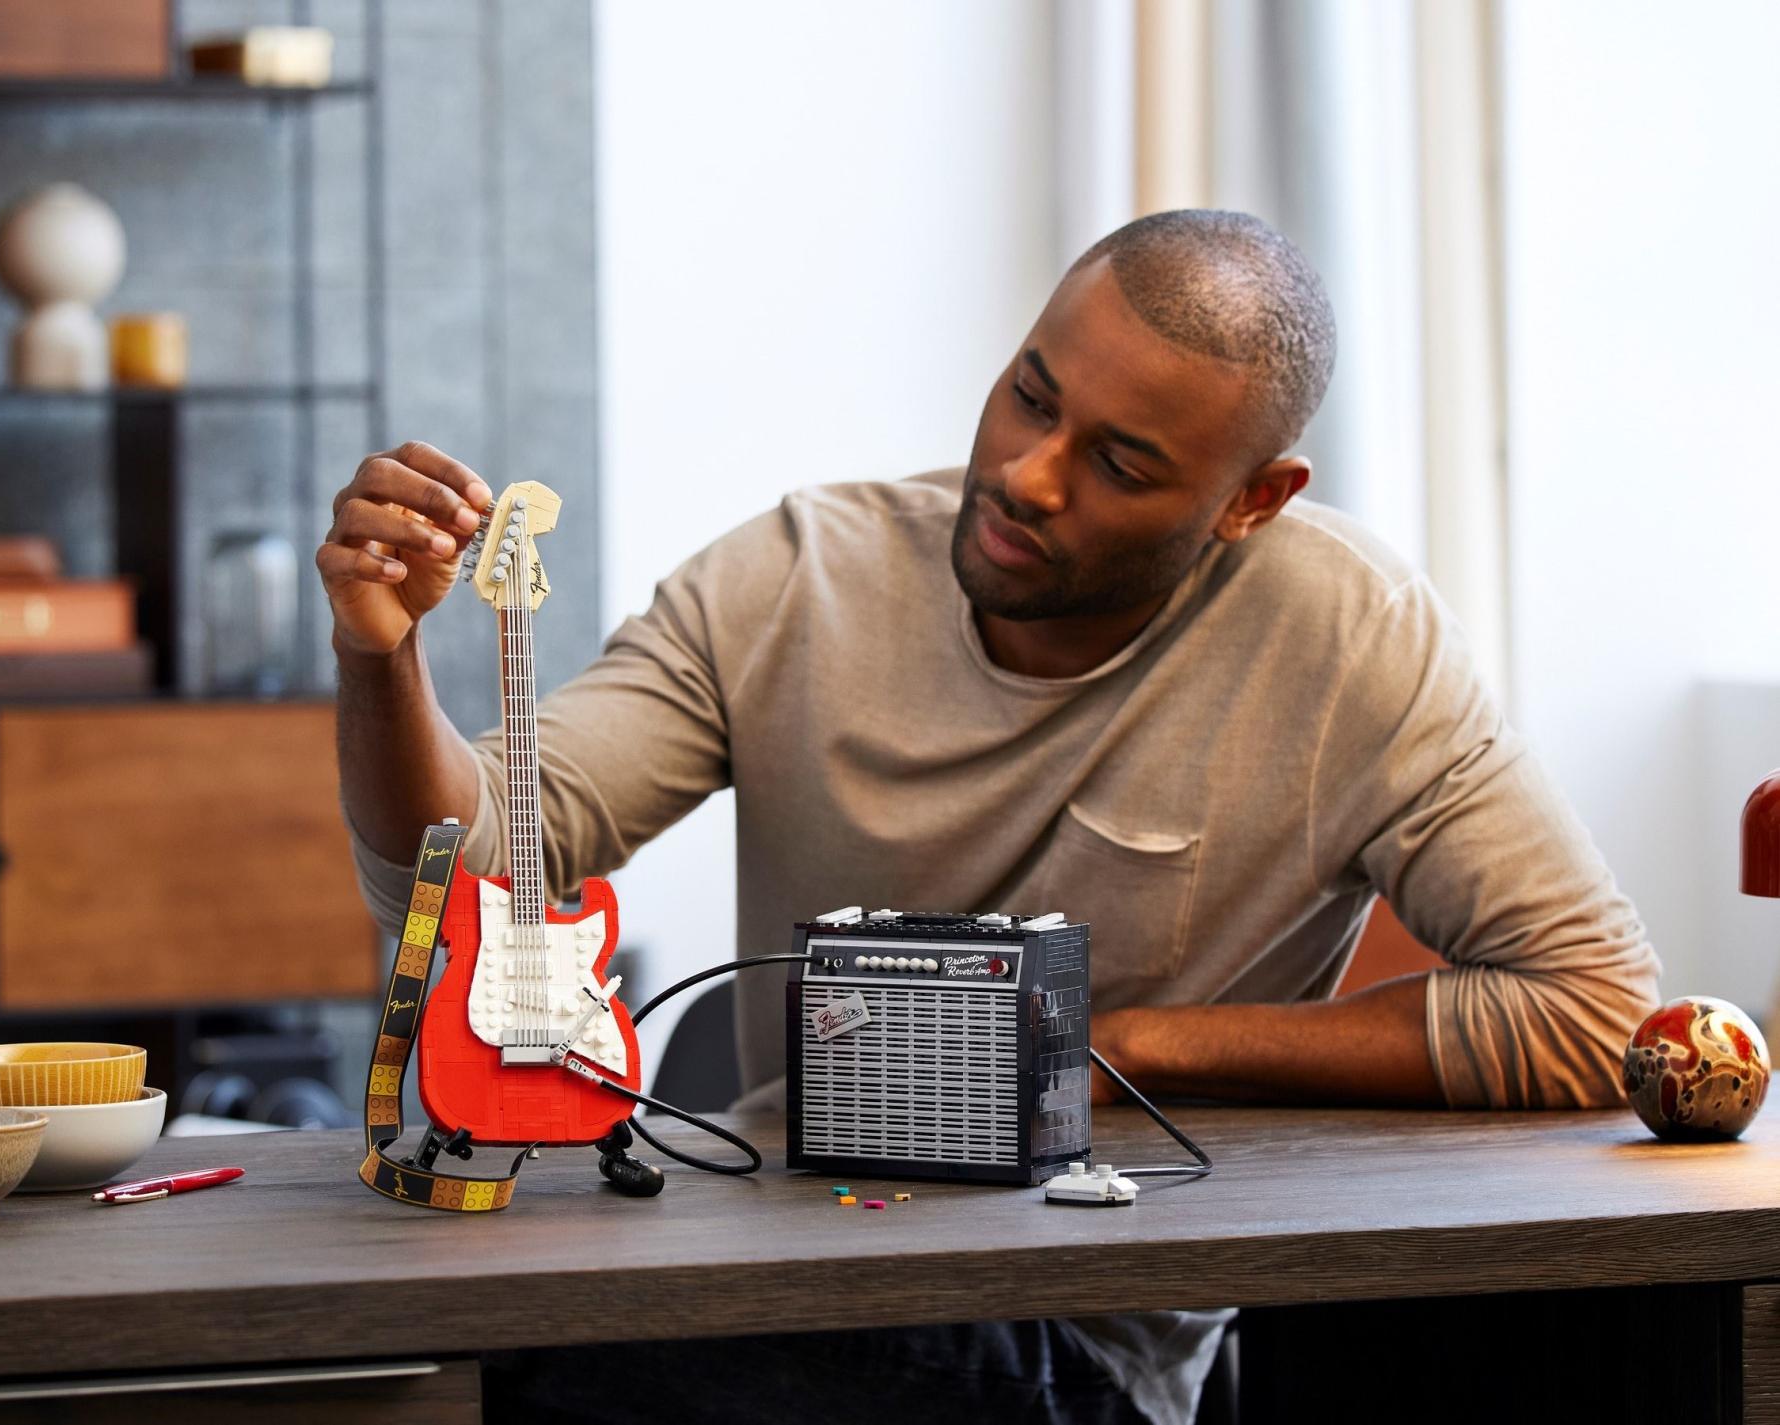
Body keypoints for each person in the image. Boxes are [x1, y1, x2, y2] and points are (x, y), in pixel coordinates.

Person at [321, 210, 1660, 1425]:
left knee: (499, 1355)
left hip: (1074, 1333)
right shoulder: (794, 578)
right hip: (777, 1250)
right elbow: (464, 878)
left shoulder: (1350, 638)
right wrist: (381, 658)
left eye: (1120, 462)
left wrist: (1119, 1047)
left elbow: (1598, 1009)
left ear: (1253, 501)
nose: (1030, 474)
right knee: (436, 1326)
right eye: (1031, 395)